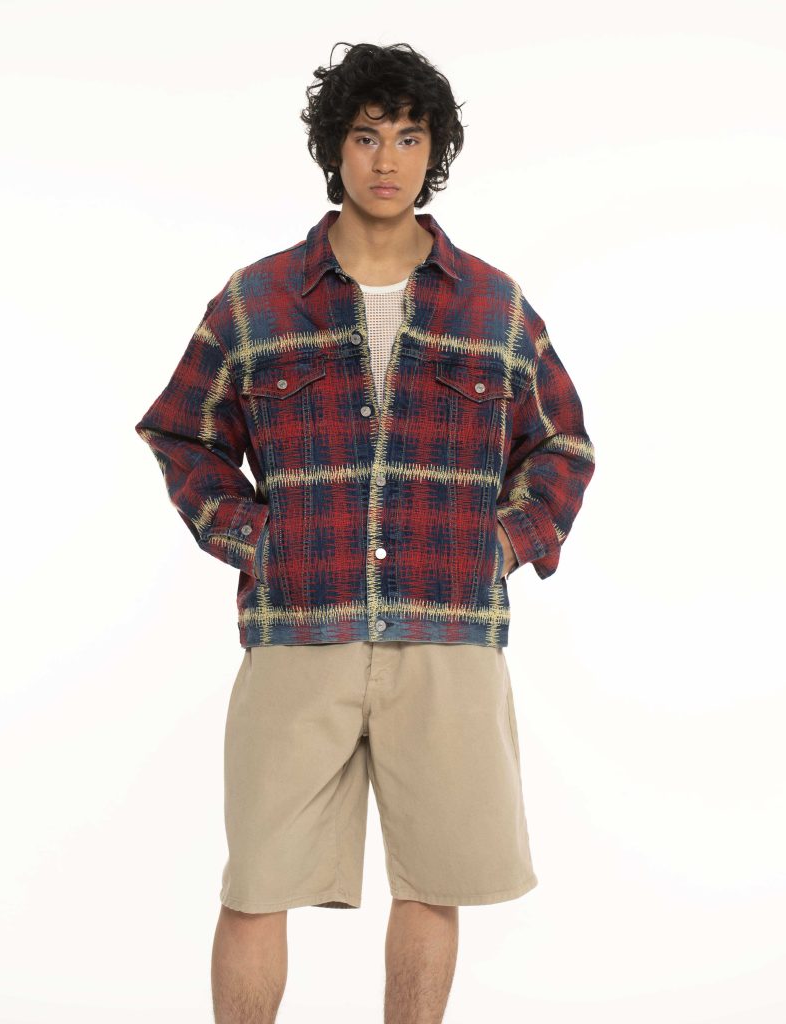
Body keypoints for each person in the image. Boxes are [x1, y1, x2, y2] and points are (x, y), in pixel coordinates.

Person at [135, 40, 595, 1024]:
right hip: (299, 629)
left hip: (448, 636)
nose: (388, 159)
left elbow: (560, 445)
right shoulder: (257, 300)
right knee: (257, 882)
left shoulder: (494, 306)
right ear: (333, 149)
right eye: (367, 135)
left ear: (436, 154)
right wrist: (255, 540)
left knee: (434, 881)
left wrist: (498, 545)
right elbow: (182, 433)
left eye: (410, 137)